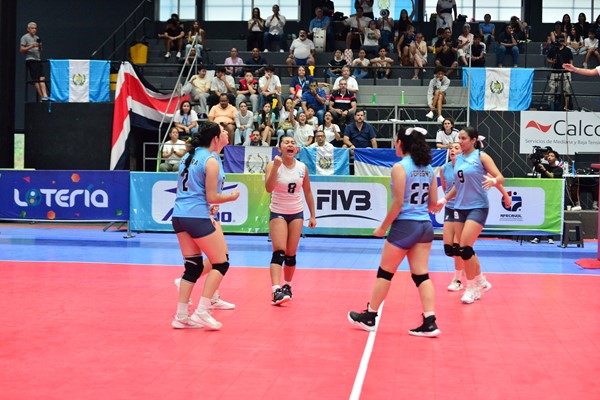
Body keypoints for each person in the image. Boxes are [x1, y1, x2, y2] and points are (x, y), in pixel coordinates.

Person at [347, 127, 440, 337]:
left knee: (385, 273)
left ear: (401, 143)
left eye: (395, 140)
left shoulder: (400, 167)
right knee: (421, 275)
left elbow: (398, 203)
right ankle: (430, 321)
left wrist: (383, 227)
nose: (394, 144)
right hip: (425, 226)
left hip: (405, 226)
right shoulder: (428, 168)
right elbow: (433, 203)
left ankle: (370, 316)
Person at [170, 122, 240, 329]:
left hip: (179, 215)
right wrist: (232, 197)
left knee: (193, 266)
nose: (226, 133)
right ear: (215, 138)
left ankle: (181, 316)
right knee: (221, 263)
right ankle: (202, 309)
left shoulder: (188, 156)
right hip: (197, 215)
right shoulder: (210, 160)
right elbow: (212, 196)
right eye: (223, 132)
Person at [434, 127, 505, 304]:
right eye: (459, 138)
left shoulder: (481, 156)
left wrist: (493, 180)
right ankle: (480, 281)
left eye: (464, 138)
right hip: (459, 207)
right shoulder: (458, 159)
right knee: (463, 250)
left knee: (465, 247)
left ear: (473, 140)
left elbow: (500, 177)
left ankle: (471, 288)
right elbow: (457, 186)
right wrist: (444, 200)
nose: (460, 141)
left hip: (478, 206)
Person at [265, 136, 317, 305]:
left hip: (296, 213)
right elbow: (268, 188)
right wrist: (276, 167)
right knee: (279, 251)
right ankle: (275, 290)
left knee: (291, 254)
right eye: (286, 142)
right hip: (278, 211)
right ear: (279, 148)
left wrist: (313, 215)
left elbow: (307, 191)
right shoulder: (273, 165)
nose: (290, 144)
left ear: (296, 149)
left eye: (293, 143)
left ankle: (287, 286)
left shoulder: (302, 167)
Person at [531, 150, 563, 244]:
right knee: (540, 215)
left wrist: (544, 170)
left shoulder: (559, 169)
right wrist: (534, 157)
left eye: (552, 156)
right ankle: (537, 237)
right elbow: (533, 162)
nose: (549, 157)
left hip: (553, 195)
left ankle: (550, 237)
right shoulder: (543, 165)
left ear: (556, 158)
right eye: (548, 156)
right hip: (542, 193)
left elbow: (552, 177)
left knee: (550, 216)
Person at [20, 22, 49, 101]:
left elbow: (40, 50)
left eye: (35, 28)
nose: (34, 30)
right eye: (32, 28)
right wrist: (31, 46)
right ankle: (41, 96)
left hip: (38, 60)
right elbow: (21, 50)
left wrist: (39, 46)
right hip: (31, 60)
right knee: (36, 79)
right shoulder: (25, 37)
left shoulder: (37, 37)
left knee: (42, 77)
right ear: (28, 29)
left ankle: (45, 95)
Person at [547, 38, 573, 110]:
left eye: (562, 41)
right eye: (560, 41)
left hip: (566, 71)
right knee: (552, 88)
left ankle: (566, 105)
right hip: (555, 70)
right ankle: (550, 105)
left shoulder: (568, 50)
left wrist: (571, 68)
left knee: (566, 89)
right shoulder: (553, 49)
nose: (561, 43)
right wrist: (552, 62)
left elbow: (571, 60)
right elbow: (548, 59)